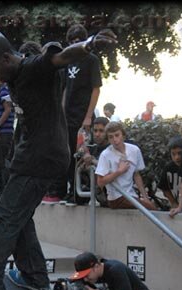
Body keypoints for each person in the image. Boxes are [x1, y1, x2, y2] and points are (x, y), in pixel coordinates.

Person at [0, 16, 116, 290]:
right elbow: (0, 38)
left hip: (40, 158)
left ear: (7, 58)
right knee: (19, 217)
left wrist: (90, 44)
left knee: (6, 217)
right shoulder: (12, 66)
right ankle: (34, 274)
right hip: (33, 156)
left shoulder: (35, 67)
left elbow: (62, 57)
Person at [59, 24, 102, 206]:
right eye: (72, 42)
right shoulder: (67, 61)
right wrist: (60, 113)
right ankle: (69, 190)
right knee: (67, 154)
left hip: (82, 115)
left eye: (78, 41)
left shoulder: (91, 60)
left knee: (81, 154)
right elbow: (65, 89)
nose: (75, 44)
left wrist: (88, 116)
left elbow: (96, 89)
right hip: (66, 115)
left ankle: (80, 193)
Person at [95, 121, 158, 210]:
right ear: (108, 139)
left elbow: (136, 175)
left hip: (131, 194)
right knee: (151, 209)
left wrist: (146, 198)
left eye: (117, 135)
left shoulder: (134, 150)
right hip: (116, 197)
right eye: (111, 137)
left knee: (151, 207)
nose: (115, 139)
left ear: (123, 135)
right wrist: (119, 171)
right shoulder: (105, 155)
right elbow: (100, 182)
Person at [74, 115, 109, 206]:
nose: (97, 134)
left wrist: (93, 161)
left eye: (101, 131)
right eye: (95, 130)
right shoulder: (93, 149)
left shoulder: (112, 150)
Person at [0, 78, 14, 194]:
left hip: (4, 130)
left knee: (4, 160)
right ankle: (2, 187)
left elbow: (8, 109)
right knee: (0, 161)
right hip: (1, 131)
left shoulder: (4, 90)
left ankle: (7, 188)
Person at [157, 136, 182, 209]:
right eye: (173, 154)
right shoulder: (168, 168)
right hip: (177, 203)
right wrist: (173, 202)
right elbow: (164, 187)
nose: (177, 157)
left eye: (180, 153)